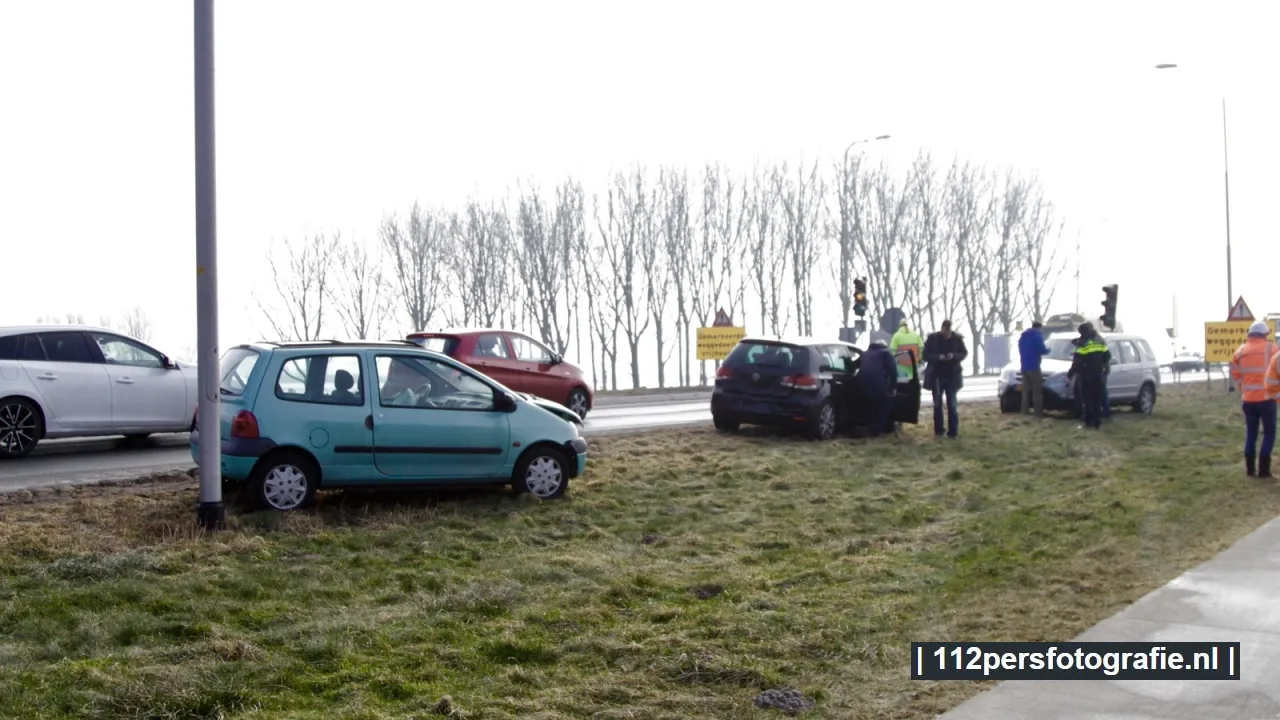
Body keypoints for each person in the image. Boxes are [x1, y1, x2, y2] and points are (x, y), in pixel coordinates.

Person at [1231, 321, 1277, 477]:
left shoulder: (1240, 352)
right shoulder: (1272, 349)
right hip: (1268, 398)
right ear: (1265, 334)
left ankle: (1250, 470)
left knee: (1251, 433)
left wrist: (1244, 389)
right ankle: (1264, 470)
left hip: (1248, 400)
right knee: (1269, 433)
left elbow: (1235, 375)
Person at [923, 320, 968, 438]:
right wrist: (939, 357)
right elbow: (925, 355)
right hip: (937, 376)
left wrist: (954, 356)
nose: (946, 334)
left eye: (948, 333)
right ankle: (939, 431)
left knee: (952, 405)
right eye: (944, 332)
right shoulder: (932, 339)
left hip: (952, 377)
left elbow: (963, 353)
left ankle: (953, 432)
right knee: (937, 405)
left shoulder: (957, 339)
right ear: (941, 328)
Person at [1067, 323, 1110, 429]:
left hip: (1086, 375)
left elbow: (1077, 362)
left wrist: (1070, 374)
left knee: (1087, 399)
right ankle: (1097, 422)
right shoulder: (1099, 341)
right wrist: (1102, 366)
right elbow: (1108, 355)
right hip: (1099, 374)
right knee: (1097, 399)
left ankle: (1089, 422)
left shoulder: (1083, 344)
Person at [857, 340, 898, 437]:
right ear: (884, 346)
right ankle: (876, 430)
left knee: (870, 406)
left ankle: (869, 429)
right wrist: (893, 387)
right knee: (887, 406)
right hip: (878, 383)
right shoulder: (886, 353)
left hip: (862, 384)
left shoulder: (865, 354)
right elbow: (893, 371)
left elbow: (856, 365)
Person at [1018, 320, 1051, 417]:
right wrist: (1049, 350)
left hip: (1024, 366)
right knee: (1037, 390)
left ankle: (1024, 411)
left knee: (1026, 390)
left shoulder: (1023, 337)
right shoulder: (1037, 337)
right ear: (1039, 328)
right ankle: (1038, 412)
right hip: (1034, 366)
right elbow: (1042, 350)